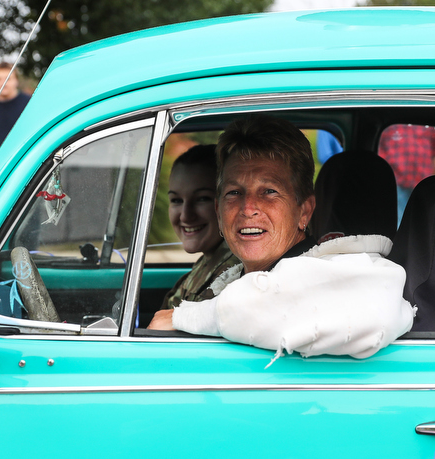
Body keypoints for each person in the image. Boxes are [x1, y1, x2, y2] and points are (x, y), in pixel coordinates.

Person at [148, 115, 414, 362]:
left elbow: (373, 311)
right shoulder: (229, 278)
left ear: (304, 211)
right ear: (219, 211)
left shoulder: (337, 268)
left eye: (269, 191)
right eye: (234, 193)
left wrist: (187, 317)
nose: (248, 207)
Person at [161, 144, 240, 309]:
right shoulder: (209, 261)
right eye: (176, 200)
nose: (185, 215)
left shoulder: (232, 274)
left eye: (202, 198)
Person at [377, 124, 435, 225]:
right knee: (398, 223)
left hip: (424, 184)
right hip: (396, 183)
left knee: (423, 224)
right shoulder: (391, 123)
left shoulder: (431, 122)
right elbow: (380, 151)